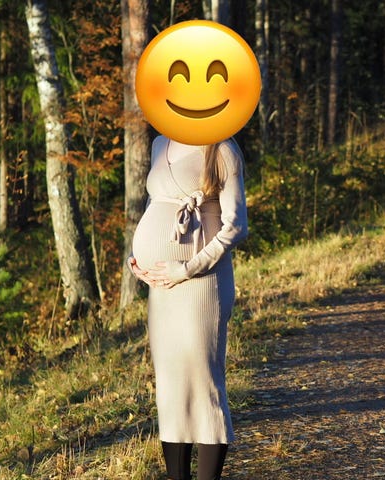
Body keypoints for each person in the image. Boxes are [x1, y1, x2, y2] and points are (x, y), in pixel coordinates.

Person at [128, 135, 248, 480]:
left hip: (202, 283)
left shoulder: (221, 149)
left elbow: (237, 226)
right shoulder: (158, 143)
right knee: (170, 386)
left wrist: (185, 268)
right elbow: (154, 204)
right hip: (161, 287)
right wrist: (137, 258)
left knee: (203, 382)